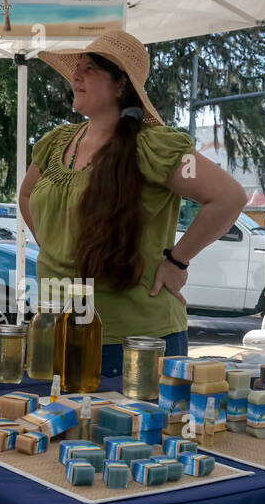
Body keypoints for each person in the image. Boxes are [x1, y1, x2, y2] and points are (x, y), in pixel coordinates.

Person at [20, 31, 248, 377]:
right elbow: (26, 195)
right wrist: (57, 248)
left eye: (90, 68)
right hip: (57, 329)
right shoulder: (56, 142)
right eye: (77, 67)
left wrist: (177, 261)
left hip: (135, 342)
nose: (76, 75)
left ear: (120, 85)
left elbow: (229, 197)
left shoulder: (154, 147)